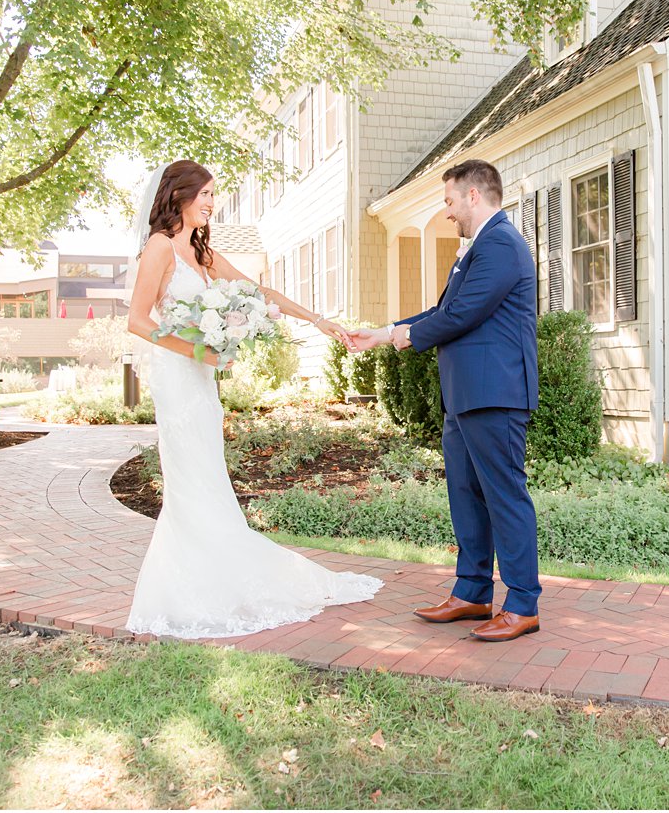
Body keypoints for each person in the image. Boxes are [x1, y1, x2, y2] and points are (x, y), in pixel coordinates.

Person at [123, 160, 381, 639]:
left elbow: (256, 291)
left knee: (209, 479)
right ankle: (189, 589)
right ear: (179, 194)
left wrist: (317, 319)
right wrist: (199, 348)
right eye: (205, 194)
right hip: (178, 379)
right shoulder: (159, 248)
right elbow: (138, 320)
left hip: (202, 381)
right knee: (188, 484)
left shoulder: (201, 253)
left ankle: (217, 579)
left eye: (213, 195)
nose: (211, 203)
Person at [348, 159, 541, 641]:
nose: (448, 212)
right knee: (466, 496)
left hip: (494, 393)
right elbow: (444, 310)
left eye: (451, 201)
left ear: (474, 195)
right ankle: (473, 592)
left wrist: (402, 338)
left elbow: (460, 314)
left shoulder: (500, 245)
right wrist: (382, 334)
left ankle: (523, 604)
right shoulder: (476, 249)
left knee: (504, 497)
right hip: (466, 395)